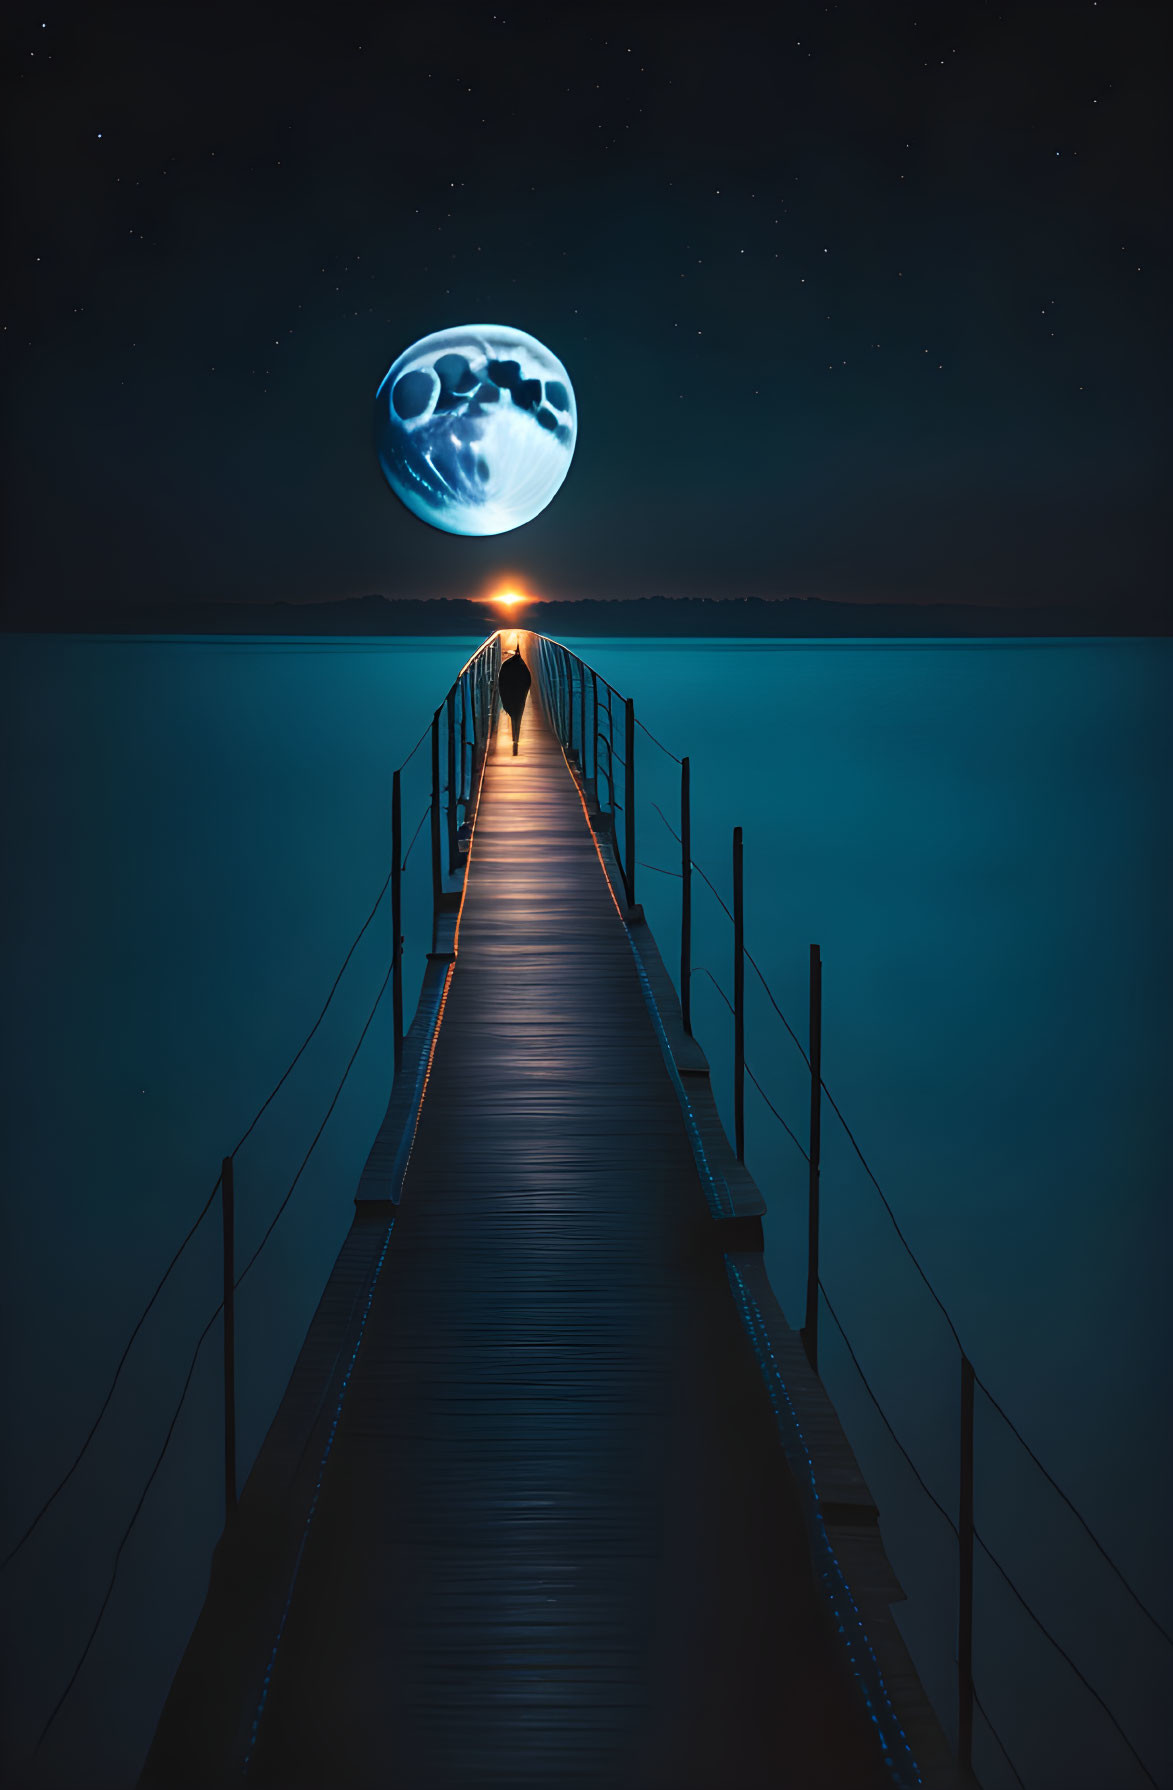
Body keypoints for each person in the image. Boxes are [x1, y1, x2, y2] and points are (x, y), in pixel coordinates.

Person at [497, 645, 532, 756]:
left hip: (510, 695)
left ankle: (515, 738)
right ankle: (516, 737)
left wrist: (504, 698)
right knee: (518, 716)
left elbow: (501, 682)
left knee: (513, 716)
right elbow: (528, 680)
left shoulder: (506, 665)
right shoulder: (523, 667)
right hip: (520, 695)